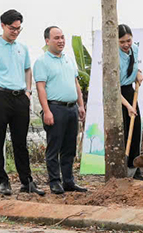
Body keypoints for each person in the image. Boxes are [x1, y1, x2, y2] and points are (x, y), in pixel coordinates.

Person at [0, 9, 43, 196]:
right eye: (12, 28)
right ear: (3, 26)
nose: (15, 32)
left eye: (18, 28)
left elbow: (27, 70)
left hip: (20, 98)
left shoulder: (22, 48)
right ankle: (3, 181)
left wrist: (28, 92)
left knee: (20, 142)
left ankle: (27, 181)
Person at [33, 26, 87, 195]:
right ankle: (55, 182)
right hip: (55, 108)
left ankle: (69, 181)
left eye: (62, 37)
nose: (61, 41)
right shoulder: (42, 62)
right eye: (56, 38)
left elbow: (76, 84)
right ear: (47, 41)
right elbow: (41, 88)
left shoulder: (69, 60)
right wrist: (47, 111)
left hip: (71, 108)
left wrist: (81, 105)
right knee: (54, 148)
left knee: (69, 148)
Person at [118, 23, 143, 180]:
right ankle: (123, 169)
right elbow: (113, 87)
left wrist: (138, 73)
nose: (126, 45)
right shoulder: (112, 55)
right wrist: (128, 106)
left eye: (128, 41)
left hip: (129, 91)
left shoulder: (134, 48)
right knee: (125, 131)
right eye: (122, 42)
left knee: (135, 131)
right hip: (117, 96)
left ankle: (135, 170)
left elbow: (133, 67)